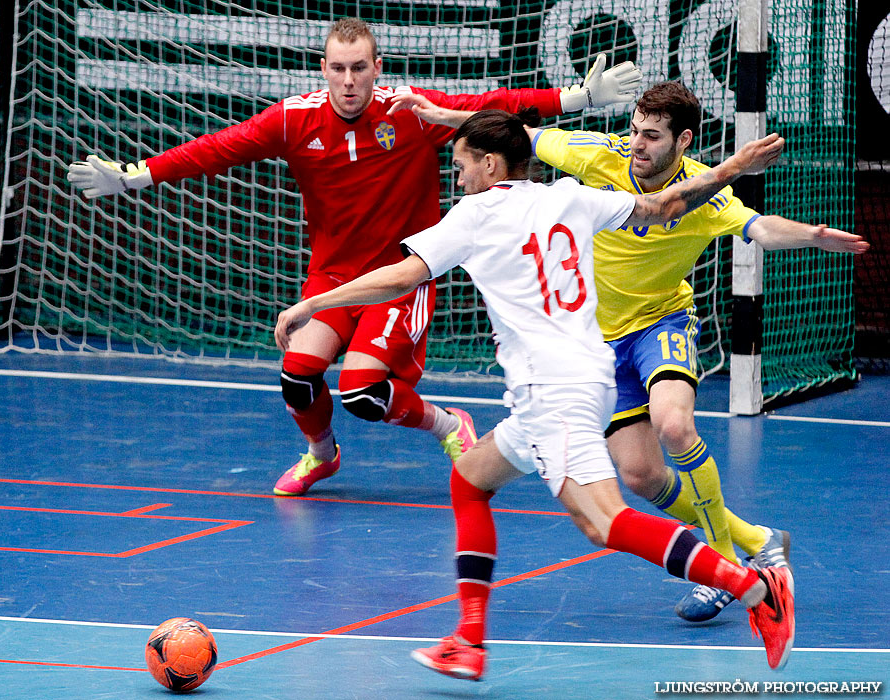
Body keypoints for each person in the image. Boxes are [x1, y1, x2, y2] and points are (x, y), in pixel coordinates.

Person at [273, 109, 796, 680]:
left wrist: (311, 305)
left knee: (605, 522)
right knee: (469, 479)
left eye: (462, 165)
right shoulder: (570, 196)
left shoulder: (476, 214)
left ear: (491, 164)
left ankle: (751, 587)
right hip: (566, 385)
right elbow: (667, 205)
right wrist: (734, 167)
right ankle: (469, 639)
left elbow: (402, 277)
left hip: (556, 394)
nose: (458, 178)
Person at [66, 18, 643, 497]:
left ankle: (448, 423)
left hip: (401, 276)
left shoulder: (408, 112)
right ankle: (321, 454)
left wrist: (577, 99)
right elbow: (218, 149)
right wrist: (136, 176)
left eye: (359, 68)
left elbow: (487, 109)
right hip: (334, 278)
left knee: (363, 392)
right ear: (324, 70)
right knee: (297, 374)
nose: (349, 81)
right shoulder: (294, 119)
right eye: (338, 69)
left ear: (376, 68)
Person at [527, 81, 869, 621]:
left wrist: (813, 235)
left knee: (675, 427)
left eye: (652, 136)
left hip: (660, 323)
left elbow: (760, 227)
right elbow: (518, 135)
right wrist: (439, 115)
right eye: (635, 130)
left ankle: (723, 566)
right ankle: (759, 538)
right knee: (639, 475)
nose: (637, 144)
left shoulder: (704, 195)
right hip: (595, 340)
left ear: (683, 140)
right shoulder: (598, 156)